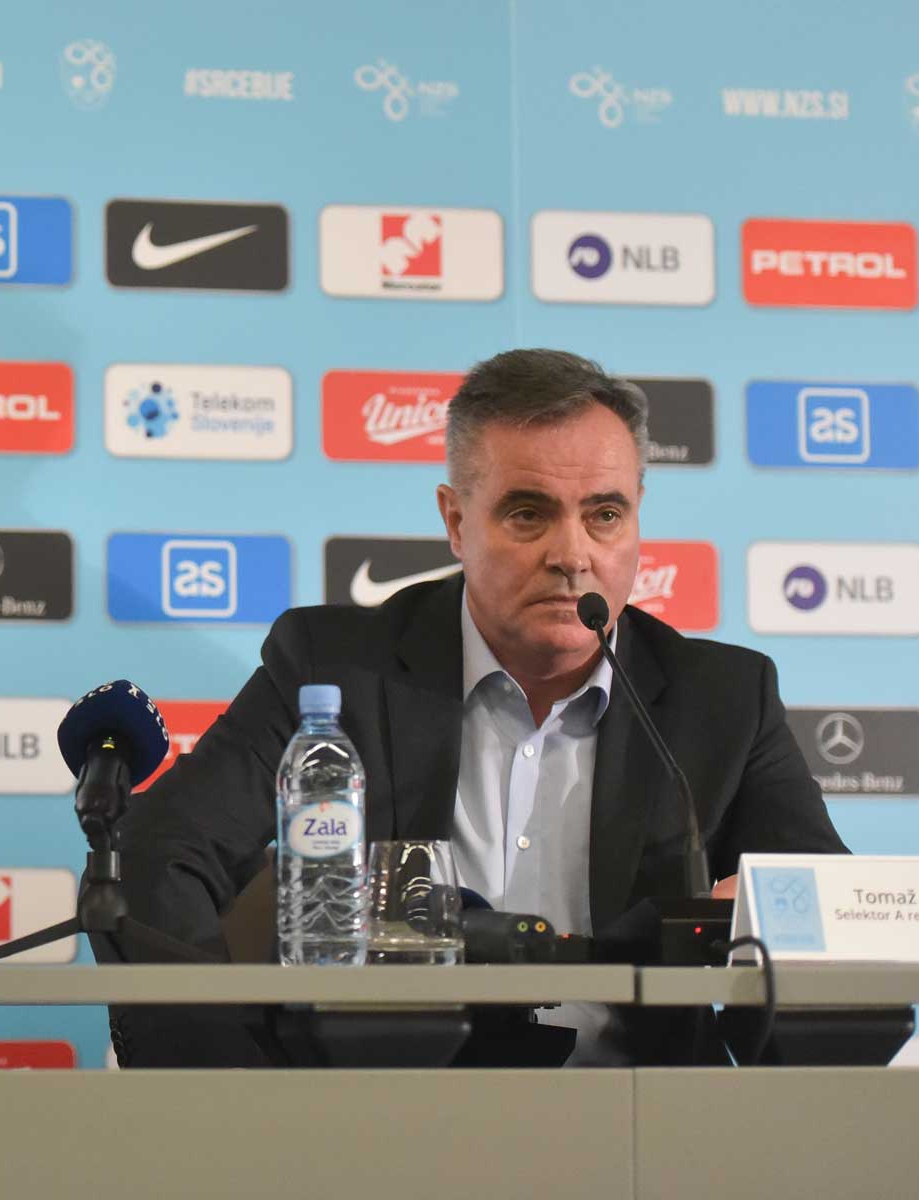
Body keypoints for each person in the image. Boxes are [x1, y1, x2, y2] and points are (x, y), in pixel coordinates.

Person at [110, 348, 845, 1067]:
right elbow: (160, 851)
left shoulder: (722, 699)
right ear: (457, 522)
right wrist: (234, 1087)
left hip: (642, 1120)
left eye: (604, 514)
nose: (572, 554)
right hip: (390, 1109)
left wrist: (765, 916)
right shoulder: (332, 670)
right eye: (528, 513)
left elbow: (839, 917)